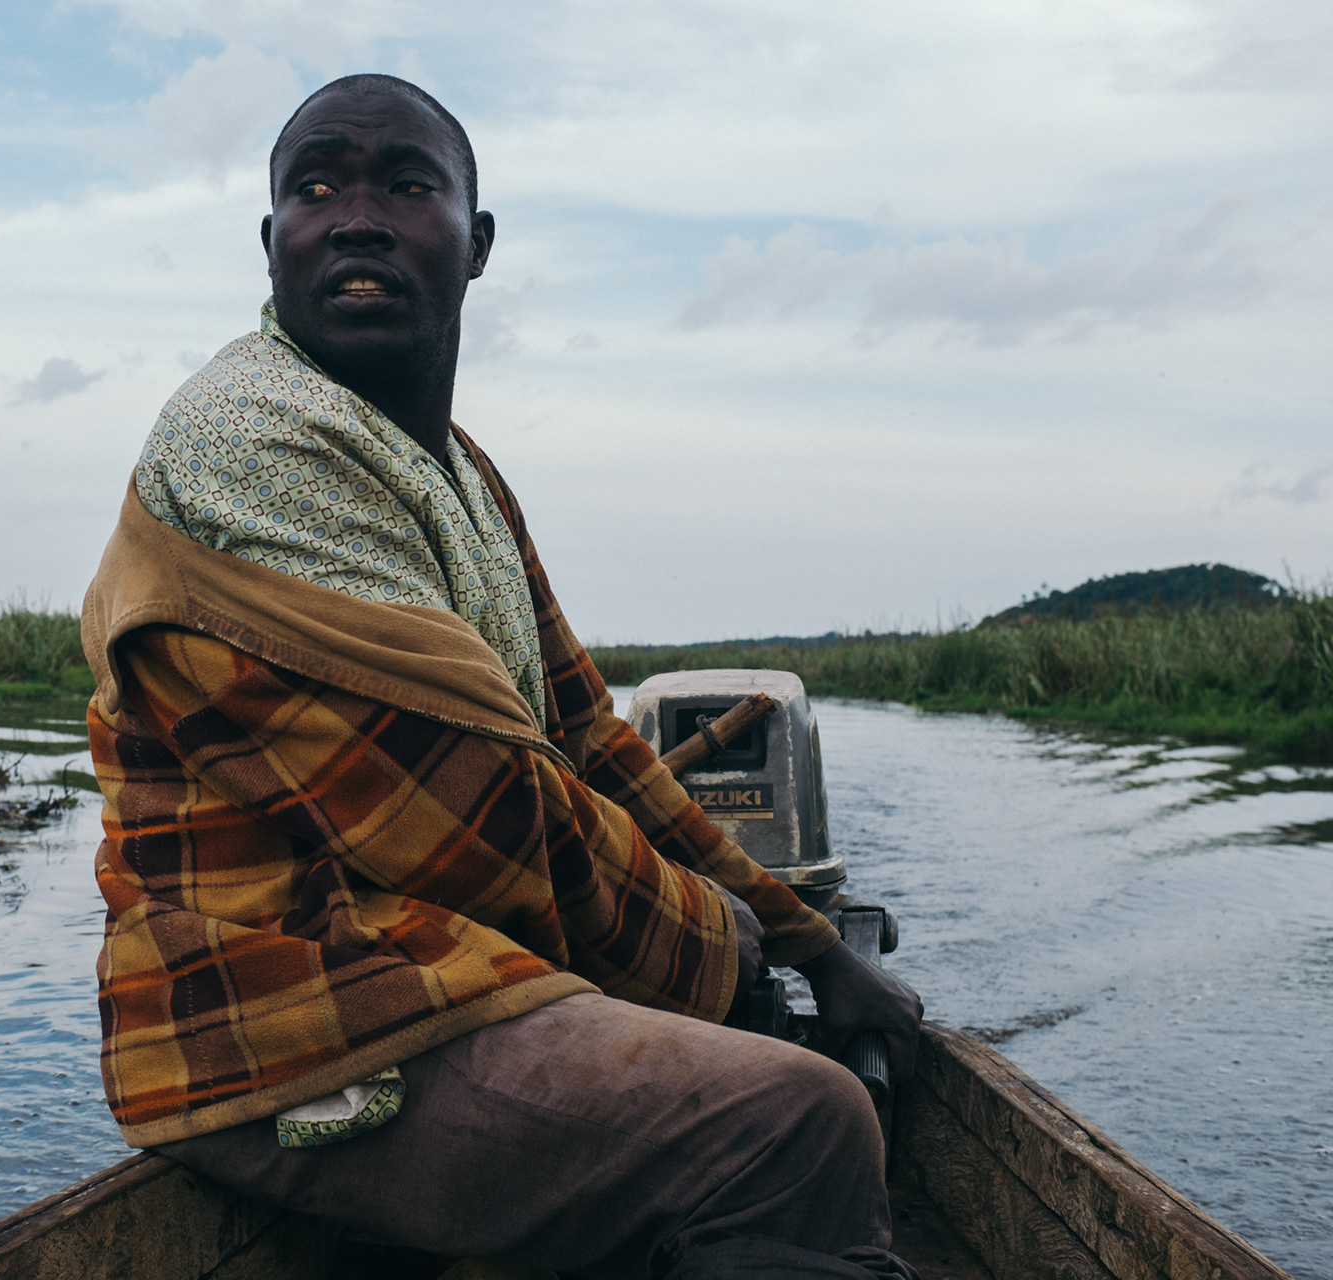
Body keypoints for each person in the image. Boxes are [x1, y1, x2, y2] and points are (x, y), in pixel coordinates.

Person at [80, 73, 924, 1280]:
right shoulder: (251, 444)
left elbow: (589, 740)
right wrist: (729, 954)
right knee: (800, 1120)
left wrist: (809, 943)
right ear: (272, 243)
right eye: (316, 189)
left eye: (403, 185)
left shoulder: (457, 472)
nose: (356, 218)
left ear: (475, 244)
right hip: (286, 1018)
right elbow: (473, 822)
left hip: (428, 969)